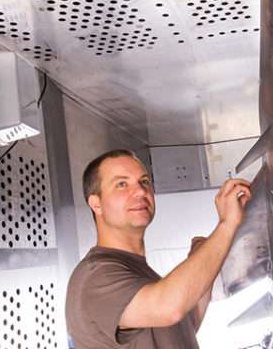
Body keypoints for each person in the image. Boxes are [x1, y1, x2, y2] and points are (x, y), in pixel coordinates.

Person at [65, 149, 252, 348]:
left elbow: (184, 325)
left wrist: (202, 253)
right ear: (96, 204)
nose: (140, 191)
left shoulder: (140, 276)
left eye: (144, 181)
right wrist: (227, 224)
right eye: (122, 184)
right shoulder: (95, 277)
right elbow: (170, 309)